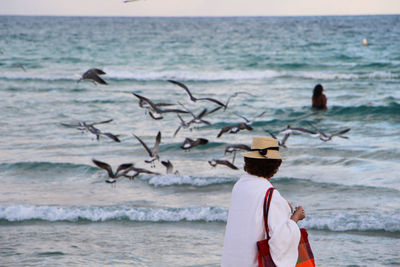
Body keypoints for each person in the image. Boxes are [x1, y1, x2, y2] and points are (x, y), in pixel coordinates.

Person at [221, 136, 306, 267]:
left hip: (233, 260)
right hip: (254, 262)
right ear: (275, 166)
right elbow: (280, 241)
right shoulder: (270, 194)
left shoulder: (240, 184)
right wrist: (295, 217)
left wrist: (282, 206)